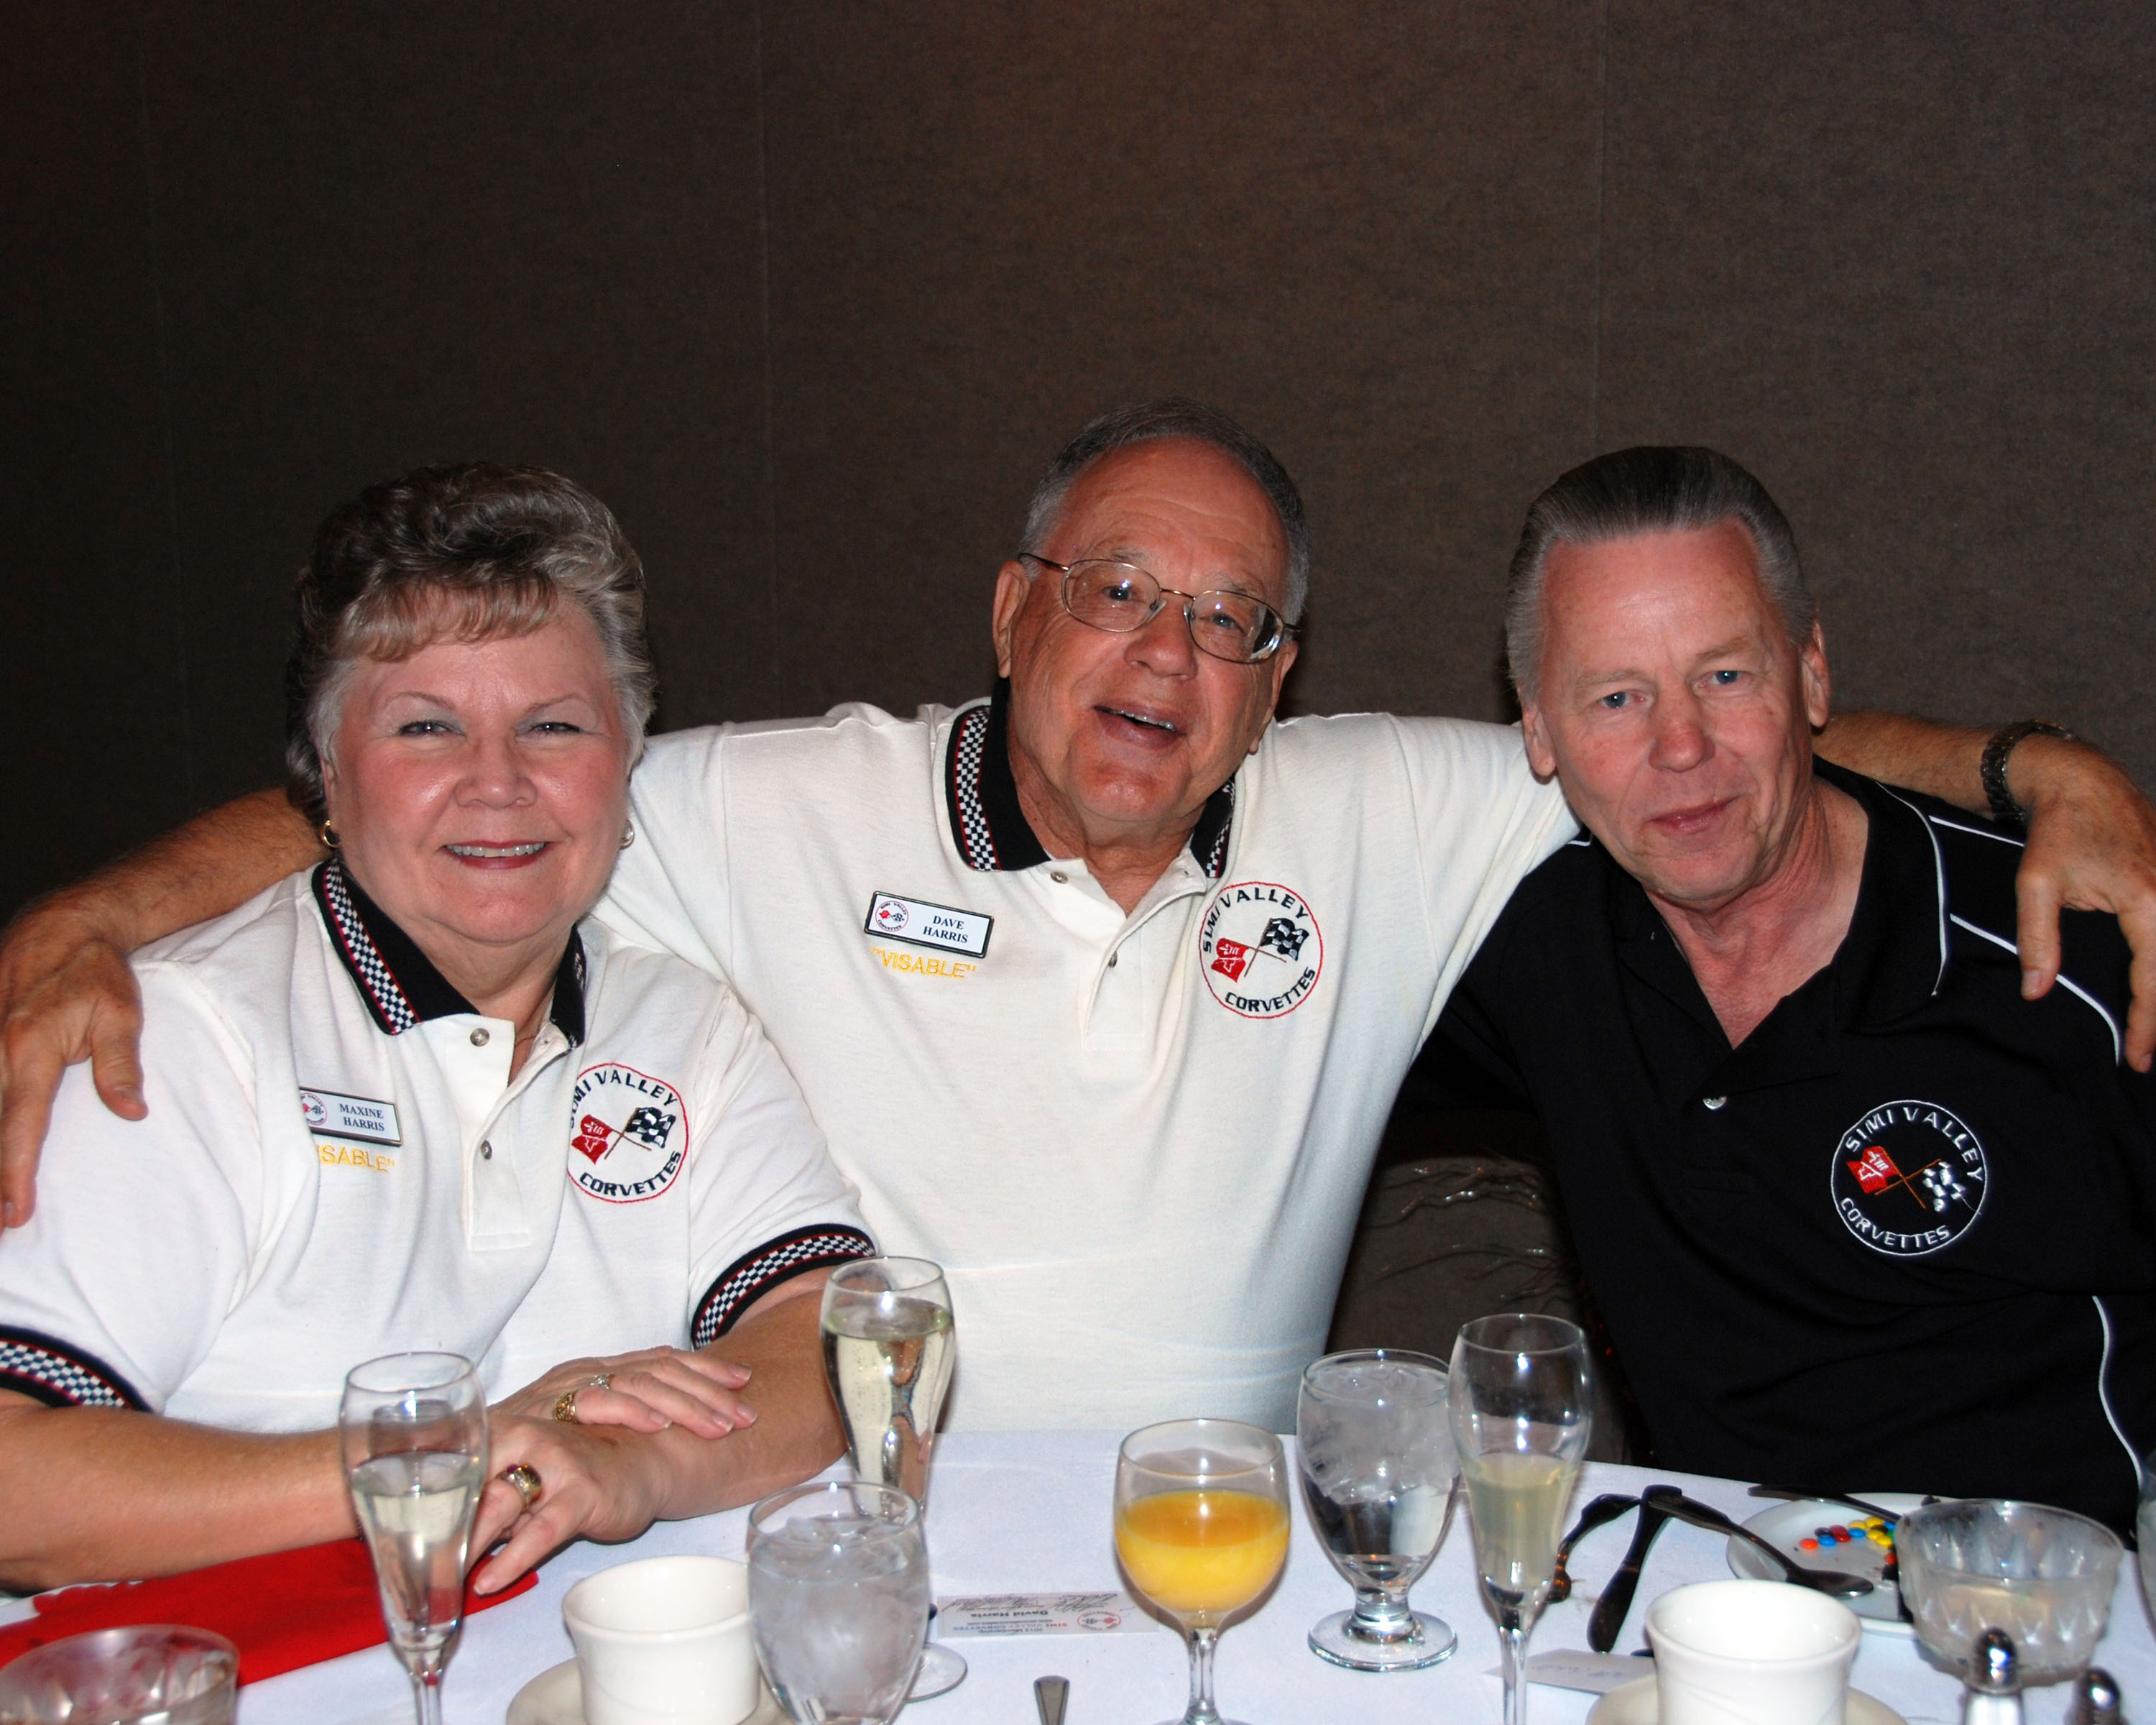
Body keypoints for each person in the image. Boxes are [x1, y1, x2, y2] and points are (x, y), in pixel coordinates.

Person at [4, 404, 2153, 1434]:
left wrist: (2037, 771)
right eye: (1118, 589)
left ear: (1282, 680)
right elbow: (469, 777)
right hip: (853, 1531)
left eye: (1230, 619)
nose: (1165, 654)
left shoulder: (1388, 806)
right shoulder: (780, 801)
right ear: (1016, 610)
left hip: (1231, 1557)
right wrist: (87, 921)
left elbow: (1680, 740)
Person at [0, 465, 872, 1592]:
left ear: (628, 762)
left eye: (553, 725)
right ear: (327, 774)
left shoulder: (680, 1022)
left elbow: (822, 1336)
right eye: (426, 728)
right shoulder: (180, 1038)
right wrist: (446, 1460)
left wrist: (634, 1467)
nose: (496, 782)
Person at [1416, 446, 2156, 1526]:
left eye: (1726, 676)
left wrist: (2048, 768)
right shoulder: (1525, 938)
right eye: (1616, 697)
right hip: (1706, 1595)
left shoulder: (2068, 952)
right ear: (1537, 728)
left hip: (2035, 1603)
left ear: (1811, 673)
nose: (1681, 746)